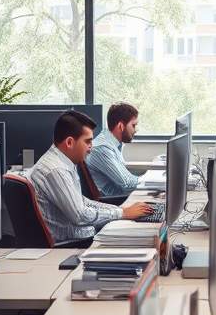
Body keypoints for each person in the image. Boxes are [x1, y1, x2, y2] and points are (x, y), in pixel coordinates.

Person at [28, 110, 153, 243]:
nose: (91, 148)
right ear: (69, 142)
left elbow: (82, 202)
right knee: (143, 238)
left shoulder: (64, 161)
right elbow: (80, 215)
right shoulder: (56, 170)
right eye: (87, 142)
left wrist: (121, 210)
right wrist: (123, 214)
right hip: (74, 243)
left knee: (140, 231)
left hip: (83, 234)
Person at [86, 102, 141, 198]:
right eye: (133, 125)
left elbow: (126, 176)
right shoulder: (102, 149)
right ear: (121, 126)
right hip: (113, 202)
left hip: (120, 196)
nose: (136, 130)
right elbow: (126, 183)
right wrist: (150, 182)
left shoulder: (112, 143)